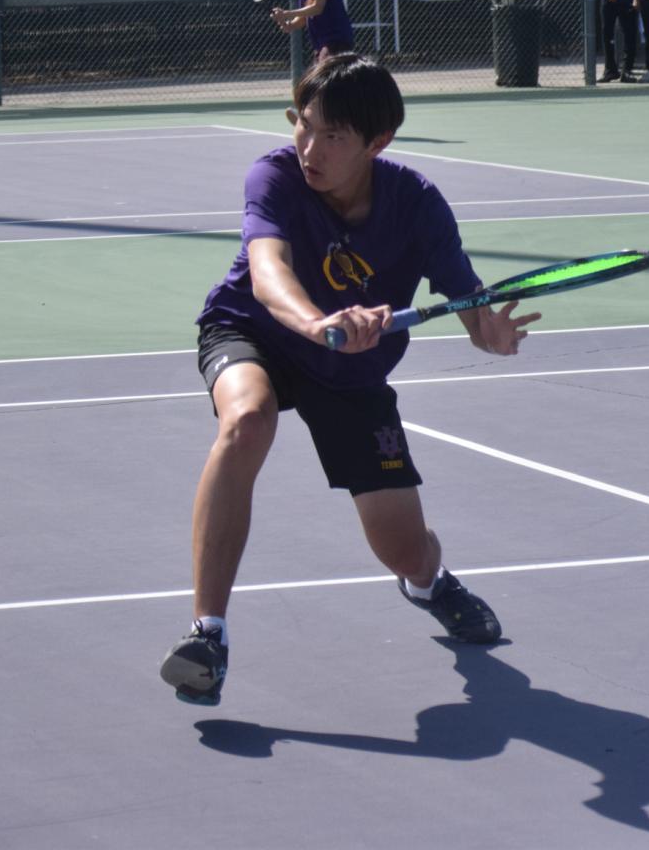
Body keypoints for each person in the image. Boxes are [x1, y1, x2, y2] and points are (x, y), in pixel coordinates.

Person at [158, 55, 540, 706]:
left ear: (376, 142)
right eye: (303, 125)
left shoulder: (415, 204)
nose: (309, 147)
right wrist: (315, 321)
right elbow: (266, 271)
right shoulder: (274, 176)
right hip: (254, 332)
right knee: (246, 418)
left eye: (331, 136)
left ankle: (429, 583)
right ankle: (207, 635)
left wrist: (491, 334)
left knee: (402, 550)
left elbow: (469, 304)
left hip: (350, 369)